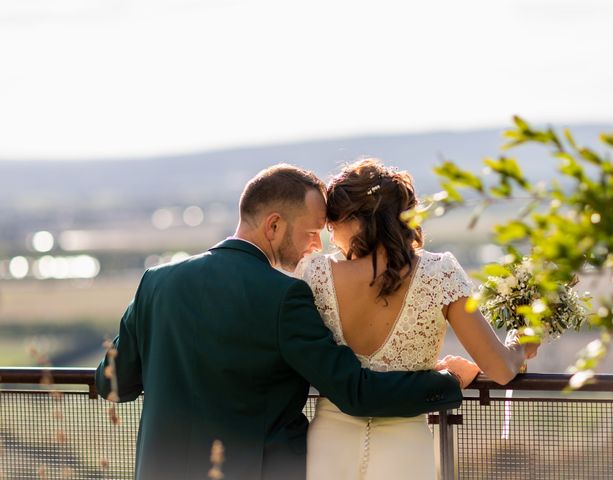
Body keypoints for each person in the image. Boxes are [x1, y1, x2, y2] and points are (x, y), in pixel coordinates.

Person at [95, 164, 472, 480]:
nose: (316, 248)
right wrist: (447, 383)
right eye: (311, 233)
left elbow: (111, 382)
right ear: (273, 225)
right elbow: (356, 392)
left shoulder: (156, 282)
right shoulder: (284, 297)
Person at [298, 159, 539, 480]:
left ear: (356, 221)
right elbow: (500, 369)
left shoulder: (314, 274)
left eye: (333, 224)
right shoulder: (440, 274)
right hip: (406, 450)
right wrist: (521, 345)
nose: (331, 235)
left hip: (328, 446)